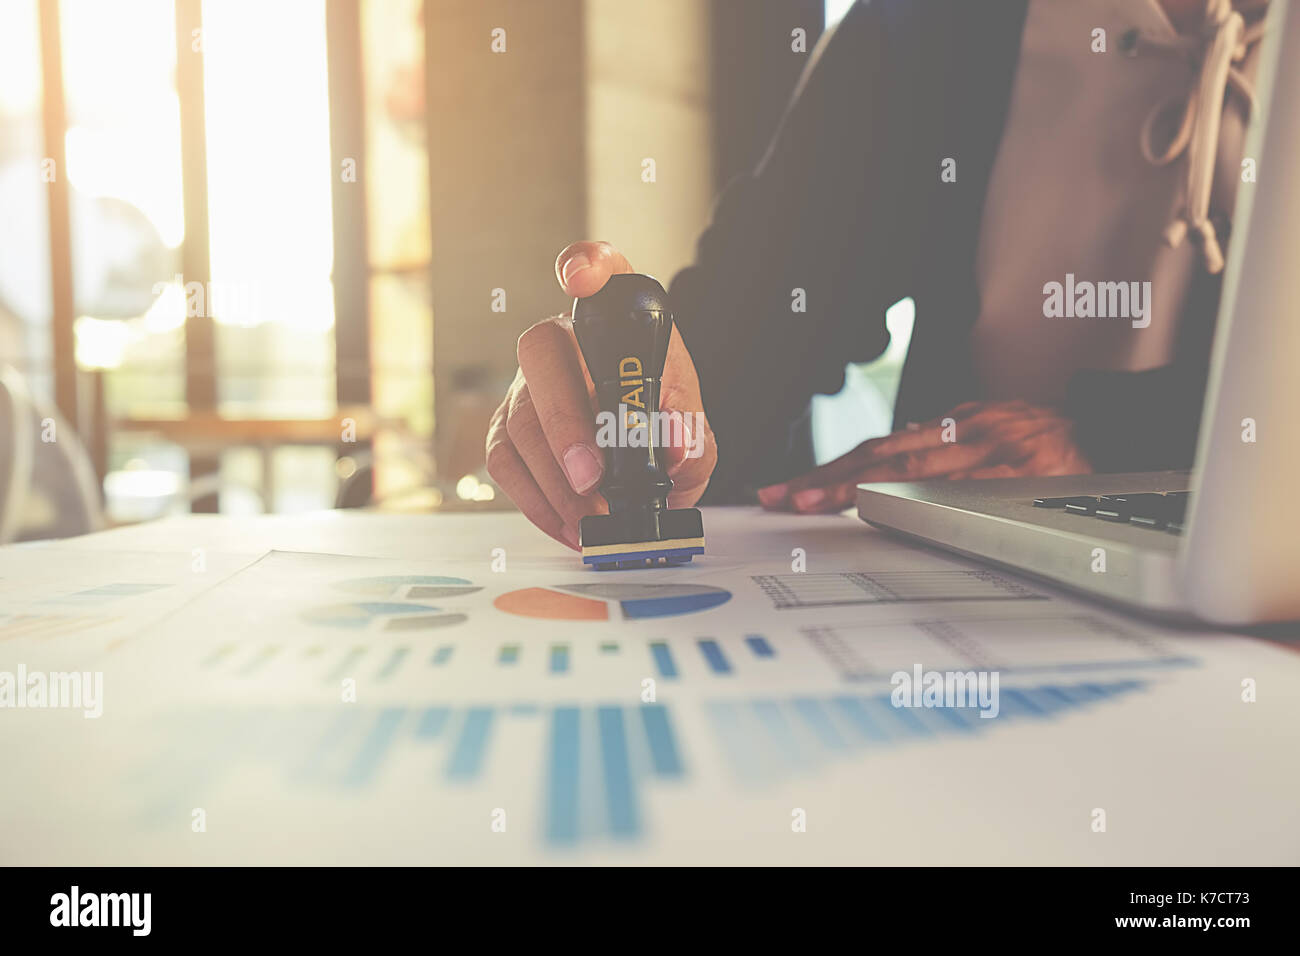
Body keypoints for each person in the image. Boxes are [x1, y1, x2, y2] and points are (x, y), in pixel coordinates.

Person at [484, 0, 1269, 550]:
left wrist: (1118, 437)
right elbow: (744, 337)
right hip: (963, 588)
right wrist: (626, 380)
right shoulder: (925, 29)